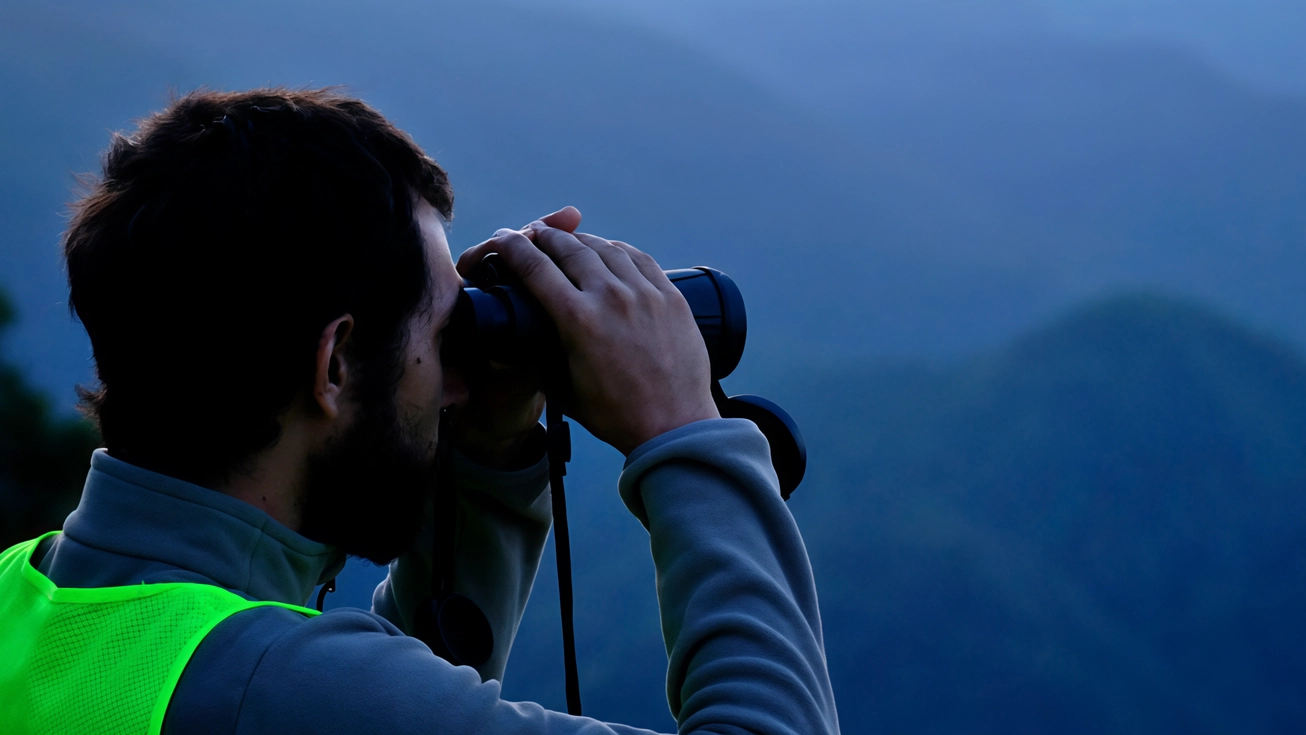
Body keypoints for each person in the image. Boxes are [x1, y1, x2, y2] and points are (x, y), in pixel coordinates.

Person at [0, 88, 839, 734]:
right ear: (334, 364)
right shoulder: (272, 683)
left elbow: (361, 687)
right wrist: (682, 427)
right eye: (444, 333)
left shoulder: (24, 600)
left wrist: (491, 455)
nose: (458, 379)